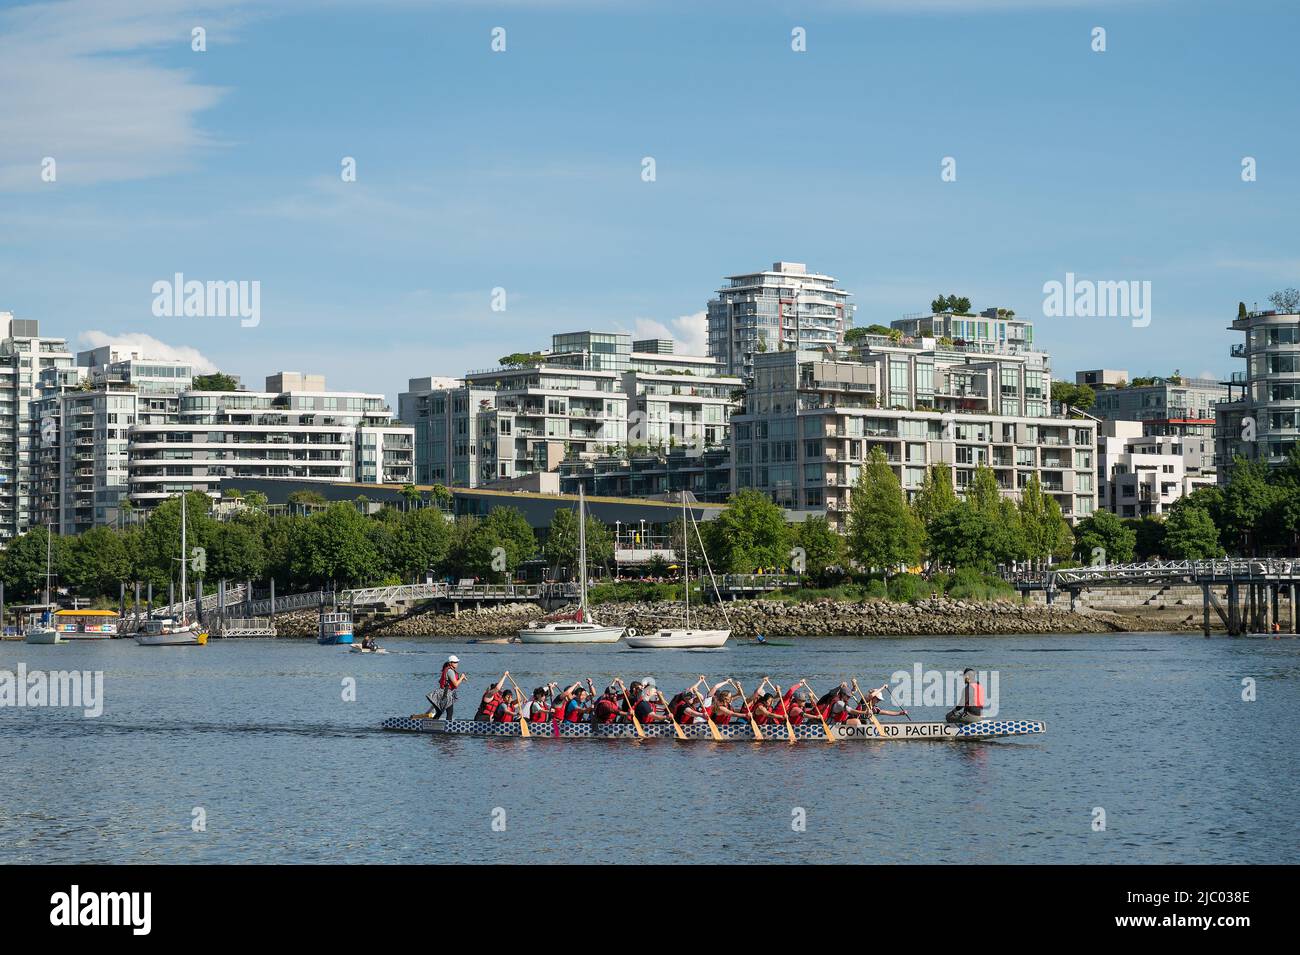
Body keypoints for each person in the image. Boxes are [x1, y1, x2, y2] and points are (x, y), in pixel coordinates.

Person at [426, 654, 466, 719]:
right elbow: (456, 684)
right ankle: (448, 727)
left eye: (457, 662)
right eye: (455, 662)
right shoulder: (450, 671)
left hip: (443, 693)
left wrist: (459, 678)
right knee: (449, 713)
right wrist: (461, 677)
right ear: (450, 663)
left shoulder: (449, 670)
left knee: (439, 712)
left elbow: (444, 681)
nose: (457, 663)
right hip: (446, 694)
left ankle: (432, 724)